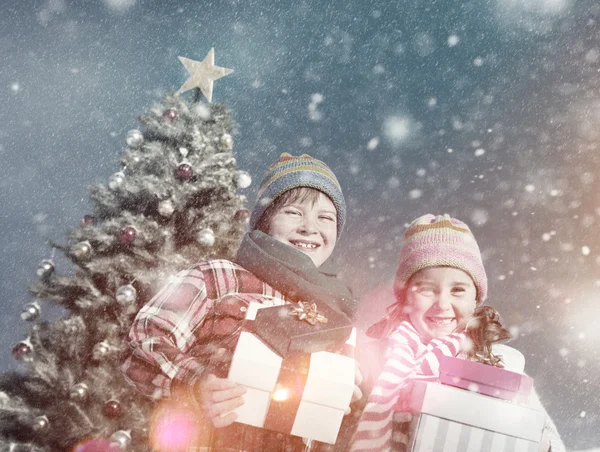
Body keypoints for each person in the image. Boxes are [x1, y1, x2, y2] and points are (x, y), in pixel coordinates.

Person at [121, 153, 361, 451]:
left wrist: (339, 402)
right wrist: (195, 384)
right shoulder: (217, 277)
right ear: (264, 221)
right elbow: (144, 341)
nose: (309, 227)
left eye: (325, 217)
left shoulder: (336, 317)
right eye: (294, 212)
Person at [350, 214, 565, 452]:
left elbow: (548, 440)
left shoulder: (498, 364)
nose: (442, 303)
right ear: (404, 297)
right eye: (427, 289)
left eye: (458, 290)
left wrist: (532, 441)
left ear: (475, 299)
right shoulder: (372, 360)